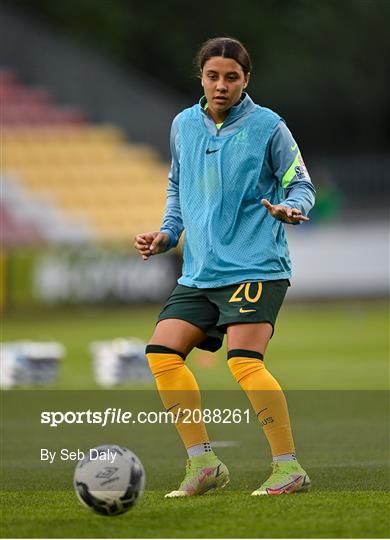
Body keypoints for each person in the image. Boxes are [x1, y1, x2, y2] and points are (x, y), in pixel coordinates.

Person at [134, 37, 315, 497]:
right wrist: (167, 235)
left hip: (256, 267)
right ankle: (204, 465)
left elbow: (301, 183)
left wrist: (291, 208)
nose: (221, 85)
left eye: (231, 77)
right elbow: (178, 189)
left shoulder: (269, 126)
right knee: (161, 353)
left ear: (245, 80)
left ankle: (288, 467)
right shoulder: (183, 125)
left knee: (243, 361)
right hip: (200, 272)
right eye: (213, 76)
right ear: (201, 77)